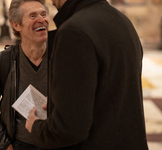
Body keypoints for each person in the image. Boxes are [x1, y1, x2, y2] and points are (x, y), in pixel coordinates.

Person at [25, 0, 149, 149]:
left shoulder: (74, 31)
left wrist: (36, 126)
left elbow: (68, 129)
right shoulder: (121, 21)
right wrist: (61, 103)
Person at [0, 0, 48, 150]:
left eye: (43, 14)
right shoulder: (2, 61)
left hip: (58, 144)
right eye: (33, 15)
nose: (42, 19)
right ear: (16, 25)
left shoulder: (62, 58)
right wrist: (6, 147)